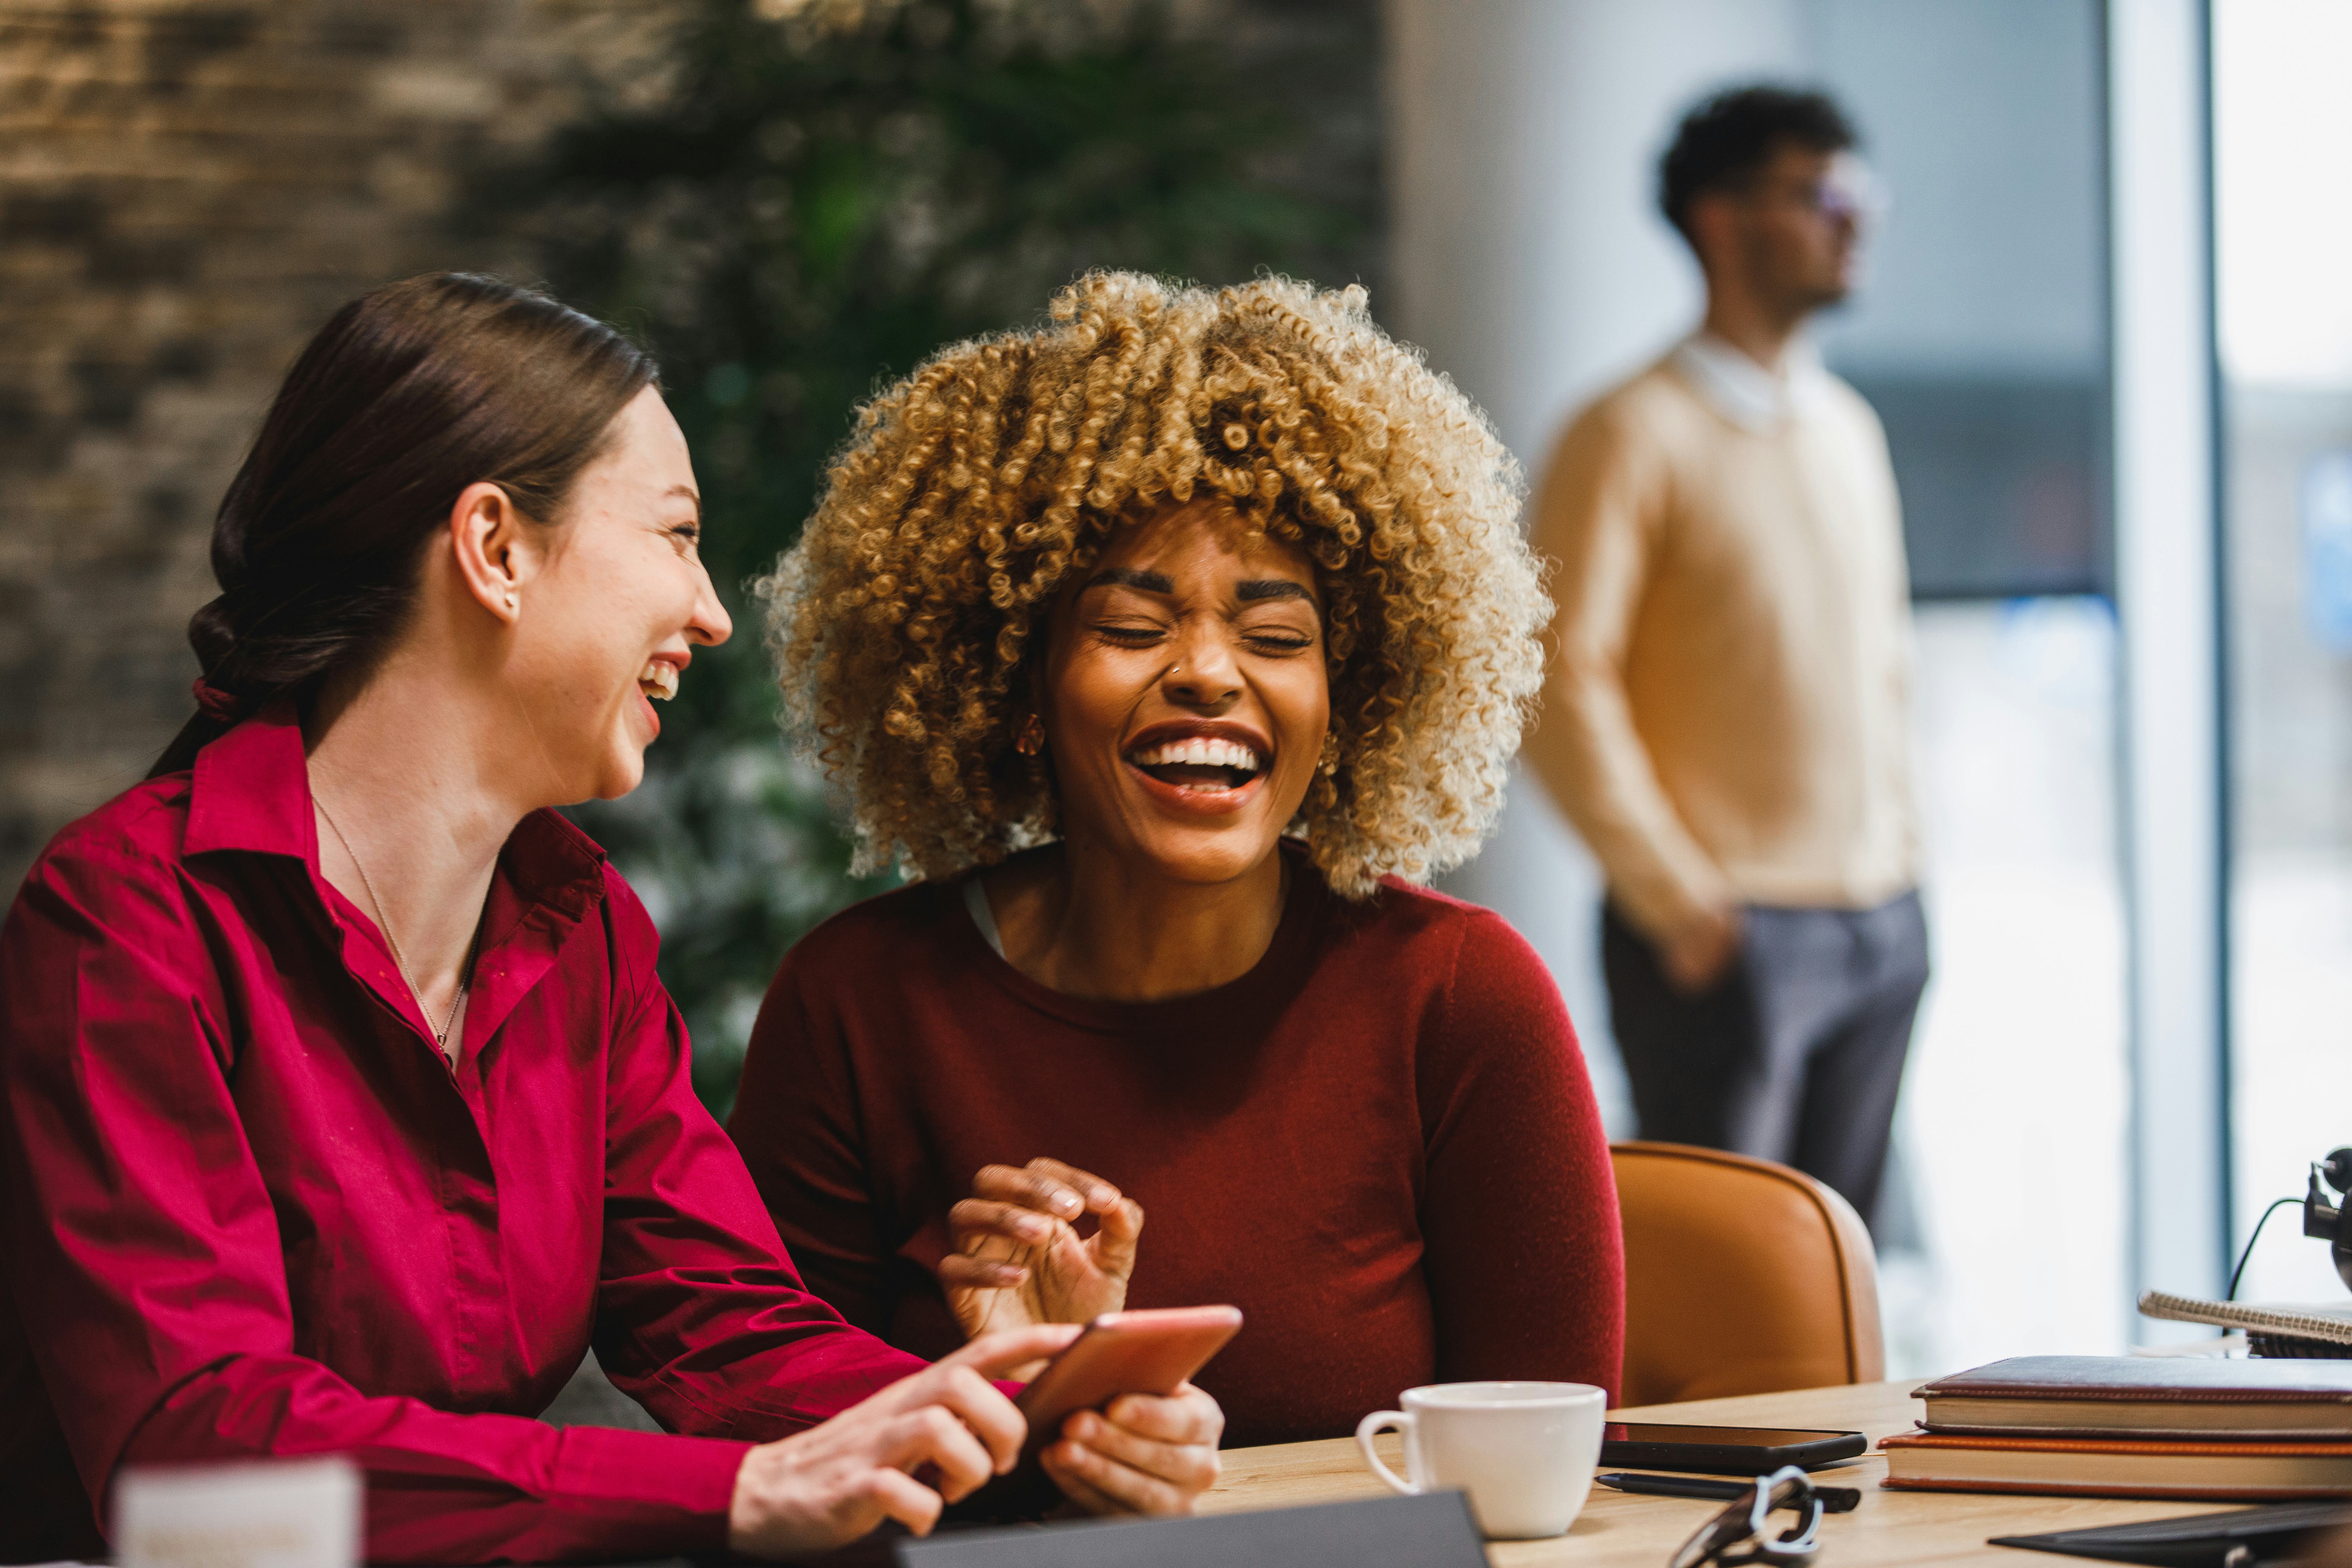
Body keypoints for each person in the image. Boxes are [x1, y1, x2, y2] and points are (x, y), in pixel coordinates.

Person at [0, 273, 1222, 1566]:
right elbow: (198, 1442)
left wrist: (1026, 1420)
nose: (712, 611)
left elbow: (724, 1324)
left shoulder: (583, 933)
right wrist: (737, 1496)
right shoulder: (127, 921)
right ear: (496, 550)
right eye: (677, 535)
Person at [728, 272, 1626, 1450]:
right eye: (1133, 628)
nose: (1208, 672)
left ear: (1343, 703)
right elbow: (769, 1466)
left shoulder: (1457, 996)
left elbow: (1547, 1478)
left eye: (1275, 636)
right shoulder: (860, 1005)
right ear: (1022, 685)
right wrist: (1028, 1409)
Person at [1524, 85, 1927, 1228]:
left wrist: (1906, 862)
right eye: (1822, 193)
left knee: (1842, 1268)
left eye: (1861, 195)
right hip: (1725, 932)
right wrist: (1679, 897)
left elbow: (1882, 668)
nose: (1856, 222)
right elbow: (1556, 681)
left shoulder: (1850, 429)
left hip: (1879, 919)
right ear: (1721, 216)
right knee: (1731, 1277)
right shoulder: (1629, 432)